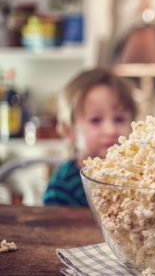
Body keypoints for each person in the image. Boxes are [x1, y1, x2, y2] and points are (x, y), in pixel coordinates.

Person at [43, 68, 137, 206]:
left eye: (119, 119)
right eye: (95, 120)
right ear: (69, 131)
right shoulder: (62, 186)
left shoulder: (137, 176)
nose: (110, 130)